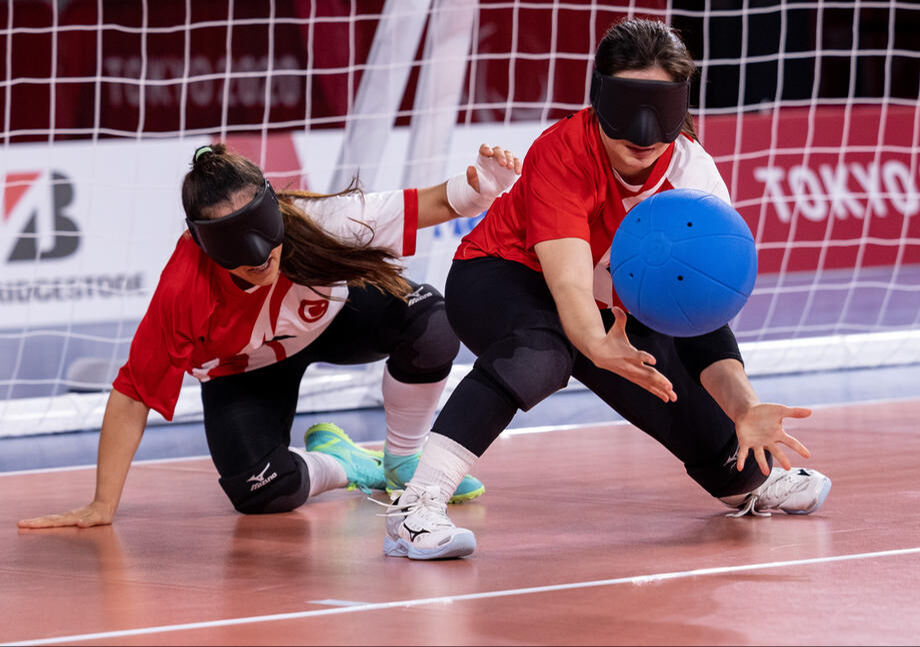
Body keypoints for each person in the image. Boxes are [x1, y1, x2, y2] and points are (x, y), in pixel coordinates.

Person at [381, 18, 833, 560]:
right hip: (500, 278)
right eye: (626, 110)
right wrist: (594, 345)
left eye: (660, 111)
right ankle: (416, 506)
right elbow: (568, 283)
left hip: (606, 306)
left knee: (729, 465)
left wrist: (745, 407)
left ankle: (751, 484)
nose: (641, 134)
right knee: (542, 354)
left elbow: (699, 319)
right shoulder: (562, 151)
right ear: (599, 100)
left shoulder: (695, 178)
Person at [18, 141, 521, 529]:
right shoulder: (184, 291)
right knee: (262, 493)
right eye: (235, 242)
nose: (260, 256)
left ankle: (403, 459)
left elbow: (434, 202)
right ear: (203, 243)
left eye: (262, 228)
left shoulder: (318, 221)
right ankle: (344, 464)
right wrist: (103, 503)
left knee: (430, 317)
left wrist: (482, 186)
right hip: (245, 369)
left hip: (331, 321)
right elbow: (133, 394)